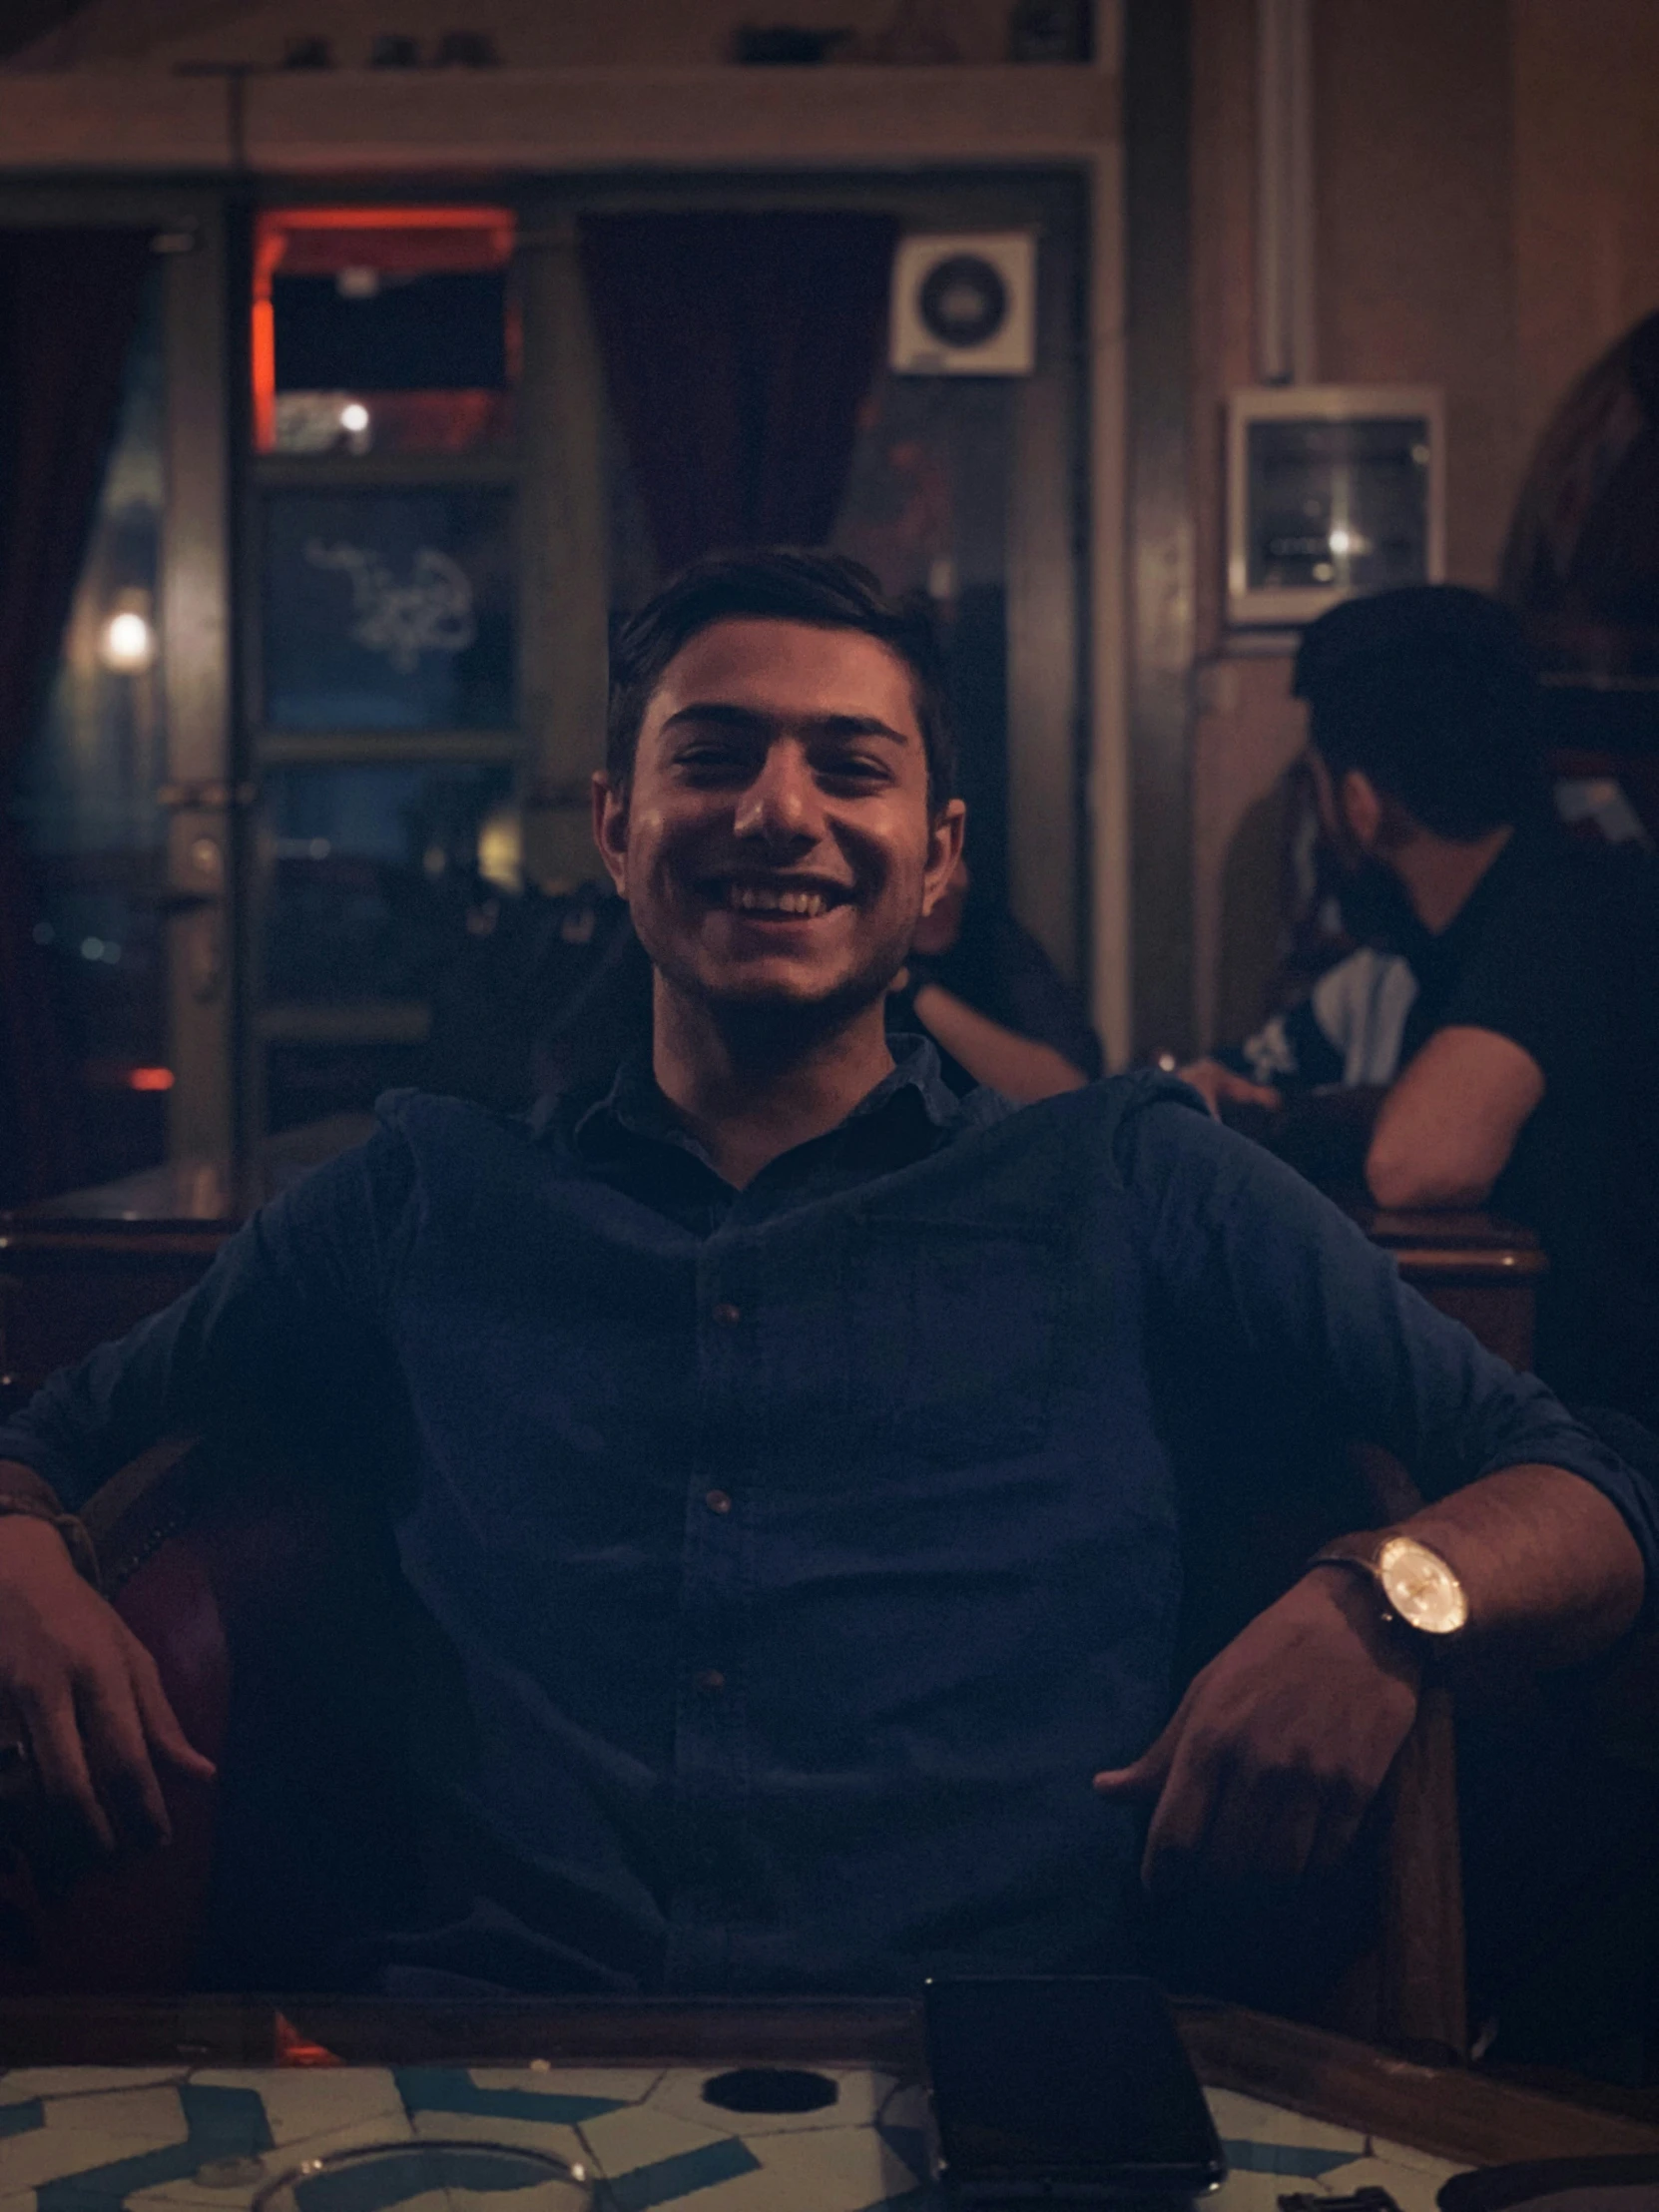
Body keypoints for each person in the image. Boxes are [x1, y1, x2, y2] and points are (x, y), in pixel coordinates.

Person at [0, 552, 1651, 2001]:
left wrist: (1382, 1599)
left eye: (846, 768)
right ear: (614, 827)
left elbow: (1588, 1489)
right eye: (711, 755)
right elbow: (48, 1437)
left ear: (935, 863)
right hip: (492, 2075)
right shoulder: (429, 1194)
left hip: (998, 2084)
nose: (774, 810)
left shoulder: (1123, 1175)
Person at [1182, 585, 1659, 1427]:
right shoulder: (1482, 934)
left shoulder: (1566, 908)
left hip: (1620, 1458)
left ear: (1359, 803)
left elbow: (1419, 1159)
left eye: (1320, 787)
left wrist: (1288, 1123)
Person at [885, 852, 1102, 1100]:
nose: (940, 888)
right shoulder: (864, 970)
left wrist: (915, 989)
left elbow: (1069, 1086)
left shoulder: (997, 941)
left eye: (944, 862)